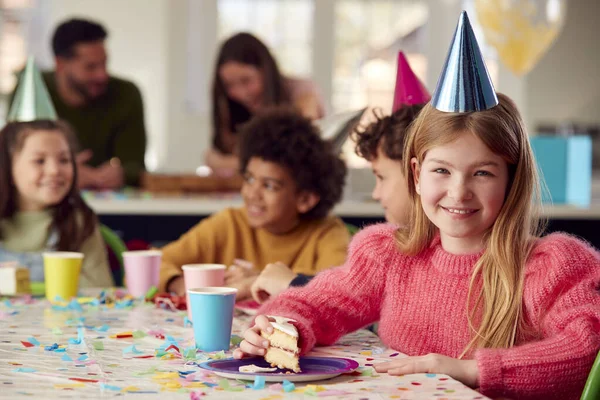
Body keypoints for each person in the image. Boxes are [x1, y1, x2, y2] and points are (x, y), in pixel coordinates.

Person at [234, 12, 600, 400]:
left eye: (483, 174)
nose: (459, 193)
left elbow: (585, 349)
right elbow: (318, 303)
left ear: (511, 178)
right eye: (442, 170)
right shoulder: (389, 253)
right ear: (416, 173)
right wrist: (278, 326)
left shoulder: (553, 265)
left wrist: (472, 371)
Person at [250, 52, 430, 302]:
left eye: (381, 177)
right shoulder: (393, 246)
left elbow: (365, 306)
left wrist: (293, 283)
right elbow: (357, 293)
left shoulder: (448, 253)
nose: (376, 193)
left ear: (418, 174)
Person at [159, 107, 348, 301]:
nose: (251, 194)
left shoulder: (328, 233)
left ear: (305, 199)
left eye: (269, 185)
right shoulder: (229, 223)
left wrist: (258, 281)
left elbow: (340, 290)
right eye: (249, 179)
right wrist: (180, 283)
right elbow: (158, 261)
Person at [0, 58, 113, 288]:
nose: (54, 170)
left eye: (64, 159)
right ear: (8, 166)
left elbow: (100, 293)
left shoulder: (79, 224)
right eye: (39, 161)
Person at [15, 18, 147, 189]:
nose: (102, 75)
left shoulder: (127, 94)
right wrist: (63, 171)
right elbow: (14, 160)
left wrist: (121, 173)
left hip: (113, 205)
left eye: (104, 63)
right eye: (90, 67)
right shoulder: (32, 90)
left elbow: (135, 164)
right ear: (60, 64)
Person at [207, 32, 325, 173]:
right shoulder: (232, 109)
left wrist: (223, 163)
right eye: (229, 85)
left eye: (246, 80)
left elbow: (294, 156)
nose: (240, 93)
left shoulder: (302, 93)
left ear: (266, 71)